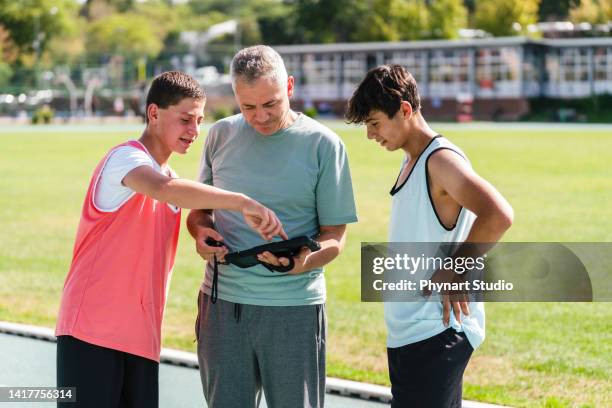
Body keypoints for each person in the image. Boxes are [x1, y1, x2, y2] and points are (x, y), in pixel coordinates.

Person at [55, 71, 286, 408]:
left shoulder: (171, 179)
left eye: (199, 121)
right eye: (185, 120)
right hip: (91, 333)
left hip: (142, 342)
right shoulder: (126, 159)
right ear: (153, 114)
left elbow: (165, 208)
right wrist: (242, 201)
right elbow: (163, 190)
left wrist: (200, 233)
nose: (194, 131)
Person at [187, 45, 358, 408]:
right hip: (223, 305)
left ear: (290, 87)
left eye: (271, 104)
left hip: (294, 307)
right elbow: (199, 213)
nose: (260, 117)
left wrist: (301, 262)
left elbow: (335, 237)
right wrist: (201, 233)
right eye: (248, 107)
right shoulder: (219, 136)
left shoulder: (324, 145)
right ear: (235, 96)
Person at [346, 65, 513, 408]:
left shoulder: (440, 161)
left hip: (436, 332)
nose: (370, 135)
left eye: (375, 123)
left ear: (405, 110)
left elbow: (499, 214)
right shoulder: (412, 160)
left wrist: (457, 268)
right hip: (412, 333)